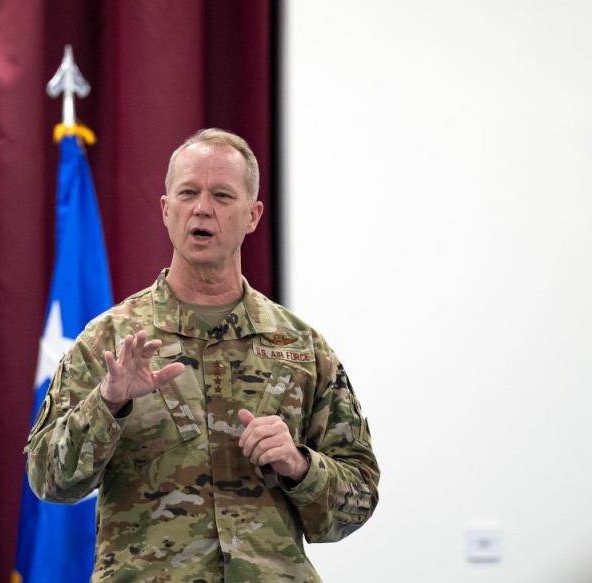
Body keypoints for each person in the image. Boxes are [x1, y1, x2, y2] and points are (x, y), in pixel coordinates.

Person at [26, 129, 379, 582]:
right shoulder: (109, 341)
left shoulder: (301, 348)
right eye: (188, 193)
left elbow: (359, 498)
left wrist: (299, 465)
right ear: (166, 210)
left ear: (253, 216)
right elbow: (46, 480)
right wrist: (107, 405)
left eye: (222, 195)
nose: (202, 208)